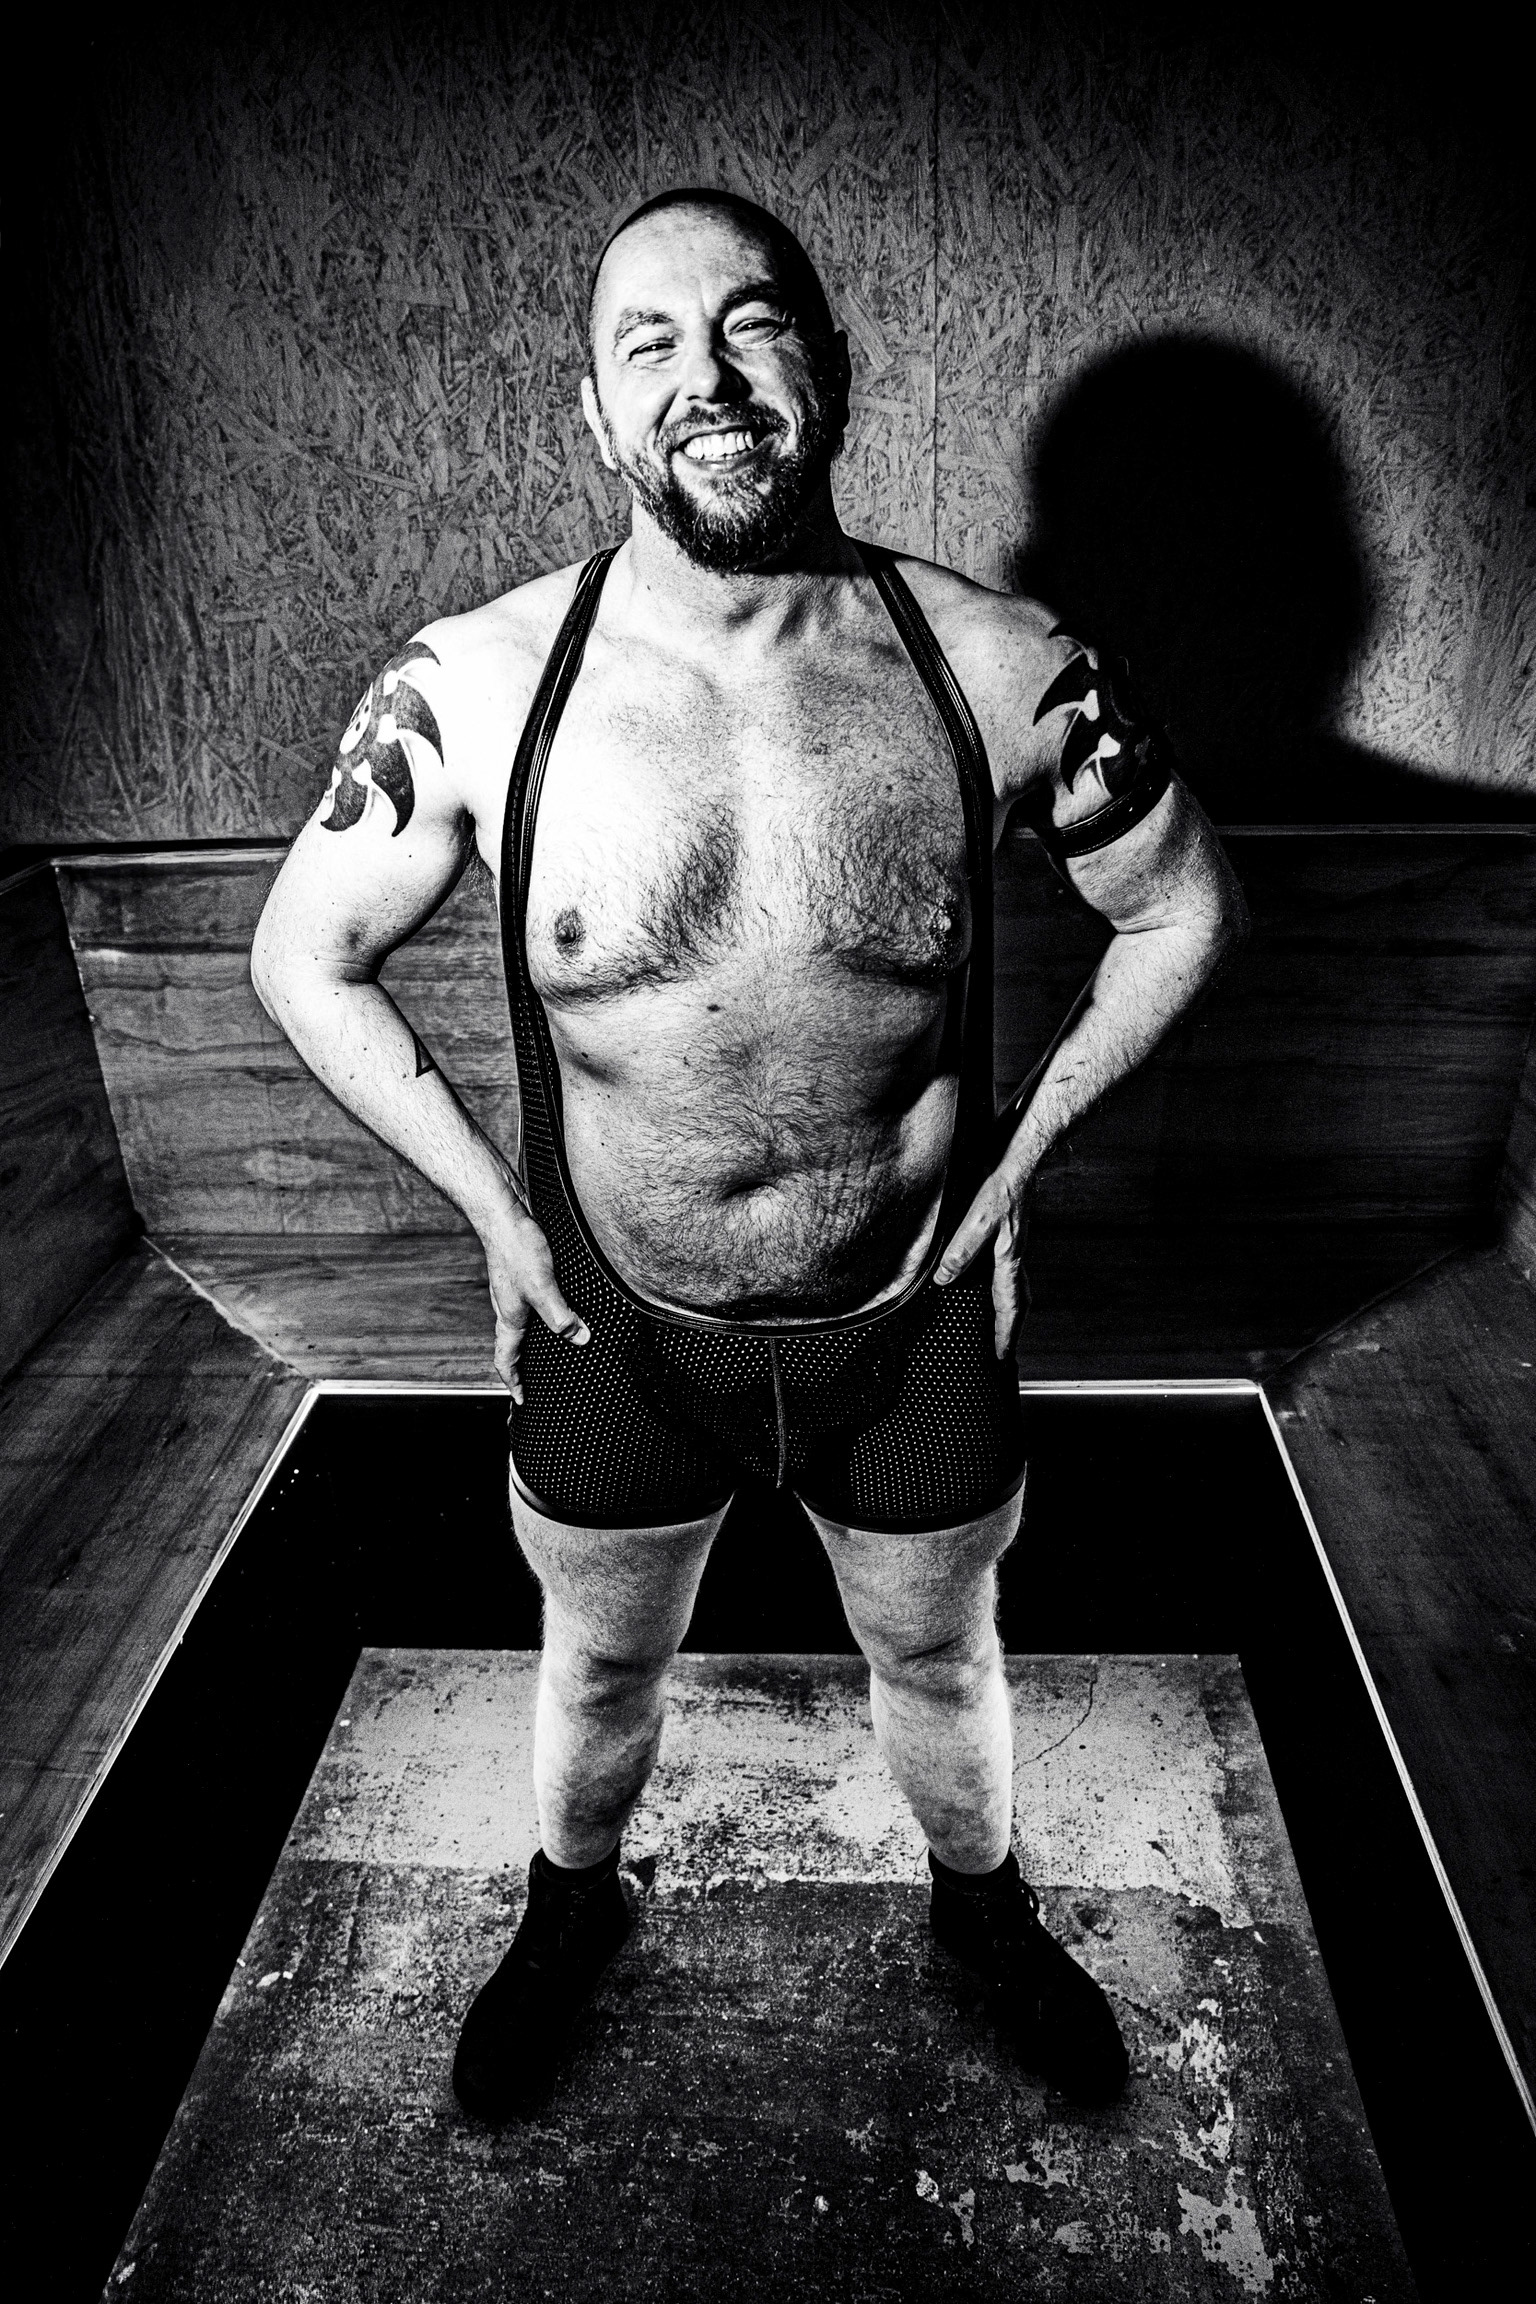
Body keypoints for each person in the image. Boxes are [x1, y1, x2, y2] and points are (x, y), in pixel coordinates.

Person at [251, 187, 1246, 2122]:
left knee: (944, 1664)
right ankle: (570, 1907)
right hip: (620, 1332)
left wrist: (1019, 1165)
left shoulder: (998, 666)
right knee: (597, 1672)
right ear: (594, 413)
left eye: (752, 323)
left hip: (911, 1325)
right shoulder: (477, 685)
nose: (705, 378)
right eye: (650, 344)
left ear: (830, 367)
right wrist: (495, 1208)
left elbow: (1182, 907)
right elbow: (307, 953)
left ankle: (983, 1917)